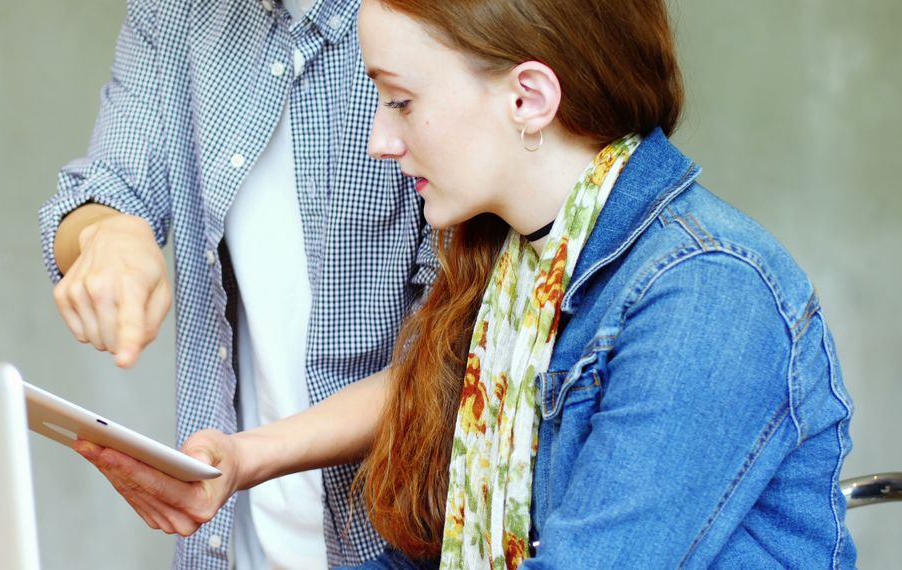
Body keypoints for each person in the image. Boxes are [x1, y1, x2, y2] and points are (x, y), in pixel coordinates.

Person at [74, 0, 859, 567]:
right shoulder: (511, 276)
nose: (380, 140)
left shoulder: (705, 296)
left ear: (528, 98)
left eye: (402, 102)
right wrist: (239, 463)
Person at [38, 1, 438, 568]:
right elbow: (104, 187)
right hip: (232, 539)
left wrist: (245, 458)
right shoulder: (173, 14)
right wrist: (107, 233)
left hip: (398, 537)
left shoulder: (431, 20)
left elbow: (450, 360)